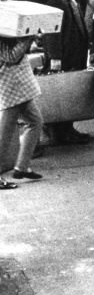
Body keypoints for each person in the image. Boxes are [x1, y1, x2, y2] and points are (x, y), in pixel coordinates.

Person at [43, 0, 90, 145]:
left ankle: (68, 129)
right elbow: (52, 32)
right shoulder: (57, 1)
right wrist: (55, 58)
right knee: (62, 94)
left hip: (74, 55)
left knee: (69, 94)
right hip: (65, 56)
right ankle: (61, 133)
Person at [0, 36, 44, 189]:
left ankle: (22, 166)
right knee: (4, 134)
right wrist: (28, 38)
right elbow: (10, 56)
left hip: (17, 85)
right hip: (10, 86)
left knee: (35, 121)